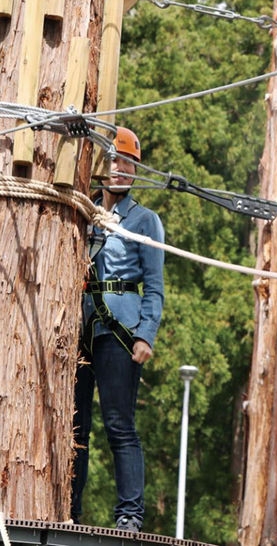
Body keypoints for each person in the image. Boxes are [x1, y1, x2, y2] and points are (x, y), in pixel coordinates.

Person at [72, 126, 166, 532]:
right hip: (78, 329)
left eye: (128, 164)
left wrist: (146, 333)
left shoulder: (145, 221)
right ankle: (69, 507)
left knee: (119, 425)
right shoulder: (80, 209)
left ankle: (130, 514)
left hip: (119, 331)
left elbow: (155, 286)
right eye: (114, 161)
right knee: (76, 425)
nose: (120, 169)